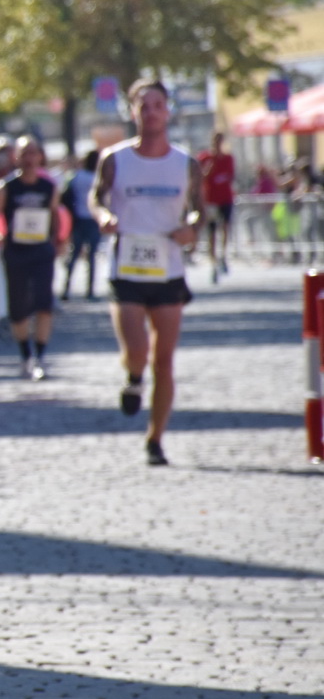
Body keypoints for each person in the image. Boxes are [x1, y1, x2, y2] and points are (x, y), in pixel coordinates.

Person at [90, 80, 201, 467]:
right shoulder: (115, 159)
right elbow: (97, 197)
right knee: (137, 349)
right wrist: (104, 215)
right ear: (133, 112)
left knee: (165, 361)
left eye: (158, 105)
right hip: (128, 268)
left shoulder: (185, 162)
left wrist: (192, 228)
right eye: (144, 106)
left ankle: (156, 439)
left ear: (167, 111)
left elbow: (199, 210)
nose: (151, 112)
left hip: (167, 268)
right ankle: (133, 379)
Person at [0, 135, 60, 379]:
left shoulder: (49, 187)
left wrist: (59, 241)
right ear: (15, 157)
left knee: (44, 304)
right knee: (18, 308)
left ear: (40, 156)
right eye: (24, 153)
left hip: (41, 251)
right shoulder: (6, 187)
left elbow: (55, 218)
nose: (29, 159)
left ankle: (40, 356)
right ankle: (25, 355)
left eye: (33, 153)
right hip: (16, 252)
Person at [60, 149, 101, 300]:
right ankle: (90, 291)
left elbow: (65, 196)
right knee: (91, 256)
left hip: (77, 219)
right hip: (92, 219)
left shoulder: (76, 176)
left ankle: (66, 288)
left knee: (74, 255)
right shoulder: (97, 177)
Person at [197, 131, 235, 283]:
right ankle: (213, 263)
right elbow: (199, 177)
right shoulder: (205, 158)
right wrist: (209, 170)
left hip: (225, 198)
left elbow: (231, 176)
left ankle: (223, 255)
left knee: (225, 227)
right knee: (211, 232)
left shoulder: (228, 158)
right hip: (211, 200)